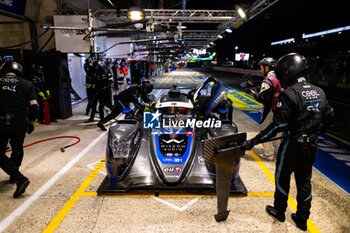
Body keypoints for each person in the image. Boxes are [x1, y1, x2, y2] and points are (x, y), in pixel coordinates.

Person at [243, 53, 335, 231]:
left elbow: (278, 126)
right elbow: (330, 116)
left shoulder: (290, 94)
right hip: (312, 144)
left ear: (288, 71)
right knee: (304, 180)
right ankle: (302, 218)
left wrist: (254, 141)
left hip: (293, 143)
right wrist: (316, 130)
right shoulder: (319, 91)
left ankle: (279, 211)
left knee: (282, 178)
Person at [0, 61, 39, 198]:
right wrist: (31, 122)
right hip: (20, 122)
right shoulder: (27, 84)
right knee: (17, 149)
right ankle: (14, 173)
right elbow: (34, 107)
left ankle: (18, 176)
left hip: (1, 122)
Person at [250, 57, 281, 160]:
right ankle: (278, 151)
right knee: (277, 131)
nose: (261, 70)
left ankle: (269, 154)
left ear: (267, 67)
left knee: (265, 130)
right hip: (280, 110)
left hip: (270, 110)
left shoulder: (268, 80)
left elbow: (263, 99)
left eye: (262, 68)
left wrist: (254, 94)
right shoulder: (280, 78)